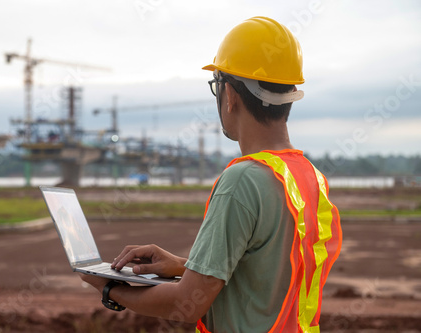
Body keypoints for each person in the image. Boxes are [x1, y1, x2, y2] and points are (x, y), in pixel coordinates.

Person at [80, 16, 342, 332]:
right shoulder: (309, 177)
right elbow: (267, 273)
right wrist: (185, 266)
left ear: (229, 95)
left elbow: (186, 304)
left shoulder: (243, 181)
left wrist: (110, 289)